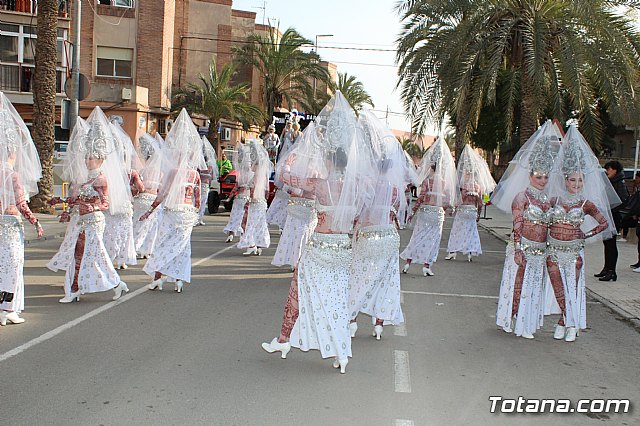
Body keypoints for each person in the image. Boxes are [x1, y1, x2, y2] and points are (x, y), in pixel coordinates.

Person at [261, 91, 375, 374]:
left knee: (298, 289)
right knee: (336, 300)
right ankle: (340, 352)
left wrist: (296, 152)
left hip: (320, 246)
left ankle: (285, 339)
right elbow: (363, 216)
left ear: (329, 161)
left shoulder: (320, 184)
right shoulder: (359, 186)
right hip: (342, 250)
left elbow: (285, 177)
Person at [47, 107, 130, 303]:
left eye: (91, 158)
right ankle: (79, 287)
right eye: (86, 157)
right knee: (81, 254)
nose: (87, 160)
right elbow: (76, 200)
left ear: (101, 159)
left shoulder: (101, 179)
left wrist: (94, 207)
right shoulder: (84, 180)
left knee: (89, 254)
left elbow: (105, 202)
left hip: (93, 221)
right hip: (81, 220)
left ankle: (82, 288)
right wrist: (61, 203)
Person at [348, 108, 418, 340]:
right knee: (385, 279)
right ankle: (379, 324)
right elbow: (398, 214)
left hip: (367, 236)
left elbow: (357, 213)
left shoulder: (365, 184)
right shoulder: (395, 189)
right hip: (388, 237)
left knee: (358, 277)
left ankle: (351, 320)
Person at [546, 125, 619, 341]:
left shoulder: (586, 204)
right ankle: (567, 320)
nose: (576, 184)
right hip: (553, 250)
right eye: (572, 180)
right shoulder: (554, 200)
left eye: (580, 181)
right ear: (565, 180)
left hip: (574, 253)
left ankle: (566, 323)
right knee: (556, 286)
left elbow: (605, 223)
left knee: (571, 288)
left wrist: (585, 236)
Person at [492, 120, 562, 339]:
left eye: (545, 177)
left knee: (533, 287)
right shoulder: (521, 198)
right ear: (529, 175)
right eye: (538, 176)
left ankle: (527, 320)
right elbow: (517, 226)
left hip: (540, 251)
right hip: (522, 249)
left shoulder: (547, 200)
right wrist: (519, 250)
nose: (542, 181)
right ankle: (512, 318)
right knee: (517, 285)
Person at [141, 109, 204, 293]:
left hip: (173, 212)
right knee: (182, 247)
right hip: (187, 214)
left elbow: (162, 194)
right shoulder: (195, 174)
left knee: (163, 244)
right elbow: (197, 199)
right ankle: (178, 279)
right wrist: (195, 215)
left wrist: (150, 210)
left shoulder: (173, 172)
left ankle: (158, 278)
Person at [0, 92, 43, 325]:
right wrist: (35, 221)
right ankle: (7, 308)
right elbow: (21, 204)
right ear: (11, 152)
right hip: (9, 226)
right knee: (12, 267)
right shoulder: (12, 175)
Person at [400, 137, 456, 276]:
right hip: (437, 214)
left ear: (431, 167)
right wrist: (444, 209)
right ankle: (427, 266)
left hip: (425, 211)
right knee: (433, 239)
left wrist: (413, 211)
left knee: (417, 237)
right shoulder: (444, 183)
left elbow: (421, 197)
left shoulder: (427, 181)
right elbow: (448, 200)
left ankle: (408, 263)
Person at [271, 123, 318, 270]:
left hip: (300, 208)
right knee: (302, 235)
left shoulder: (307, 172)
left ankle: (296, 261)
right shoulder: (318, 172)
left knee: (296, 235)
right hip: (307, 209)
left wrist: (287, 165)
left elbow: (288, 181)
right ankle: (300, 261)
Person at [445, 145, 496, 261]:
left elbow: (461, 200)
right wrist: (478, 214)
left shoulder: (465, 186)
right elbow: (480, 203)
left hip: (463, 210)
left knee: (457, 230)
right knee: (471, 231)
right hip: (472, 211)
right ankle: (470, 252)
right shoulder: (478, 187)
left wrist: (454, 209)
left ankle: (452, 251)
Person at [104, 120, 137, 270]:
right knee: (123, 232)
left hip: (113, 203)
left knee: (110, 232)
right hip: (122, 203)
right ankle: (121, 259)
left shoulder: (106, 169)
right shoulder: (128, 170)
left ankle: (110, 258)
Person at [131, 132, 164, 259]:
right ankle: (147, 249)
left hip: (142, 199)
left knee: (138, 225)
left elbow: (140, 187)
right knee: (151, 227)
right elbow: (161, 189)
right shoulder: (160, 173)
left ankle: (135, 248)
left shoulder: (143, 171)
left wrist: (135, 190)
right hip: (153, 200)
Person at [595, 160, 629, 281]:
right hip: (609, 215)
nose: (607, 171)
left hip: (614, 216)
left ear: (615, 170)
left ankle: (611, 271)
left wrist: (610, 207)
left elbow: (624, 200)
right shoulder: (611, 182)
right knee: (607, 243)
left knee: (611, 244)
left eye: (609, 169)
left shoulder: (619, 183)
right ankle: (606, 268)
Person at [237, 140, 272, 256]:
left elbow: (255, 190)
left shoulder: (258, 176)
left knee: (250, 223)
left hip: (255, 203)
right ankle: (257, 243)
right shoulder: (261, 176)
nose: (251, 165)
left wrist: (250, 199)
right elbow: (266, 191)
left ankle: (252, 244)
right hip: (260, 203)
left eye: (253, 163)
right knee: (257, 224)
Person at [223, 143, 251, 243]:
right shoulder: (252, 176)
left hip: (239, 198)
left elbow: (235, 188)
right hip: (247, 199)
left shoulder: (241, 176)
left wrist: (229, 198)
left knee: (234, 216)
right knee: (244, 218)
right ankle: (243, 236)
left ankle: (231, 234)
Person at [197, 136, 218, 224]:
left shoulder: (203, 165)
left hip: (201, 185)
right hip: (202, 185)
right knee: (200, 202)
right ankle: (198, 218)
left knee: (199, 202)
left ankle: (198, 218)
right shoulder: (208, 166)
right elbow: (212, 177)